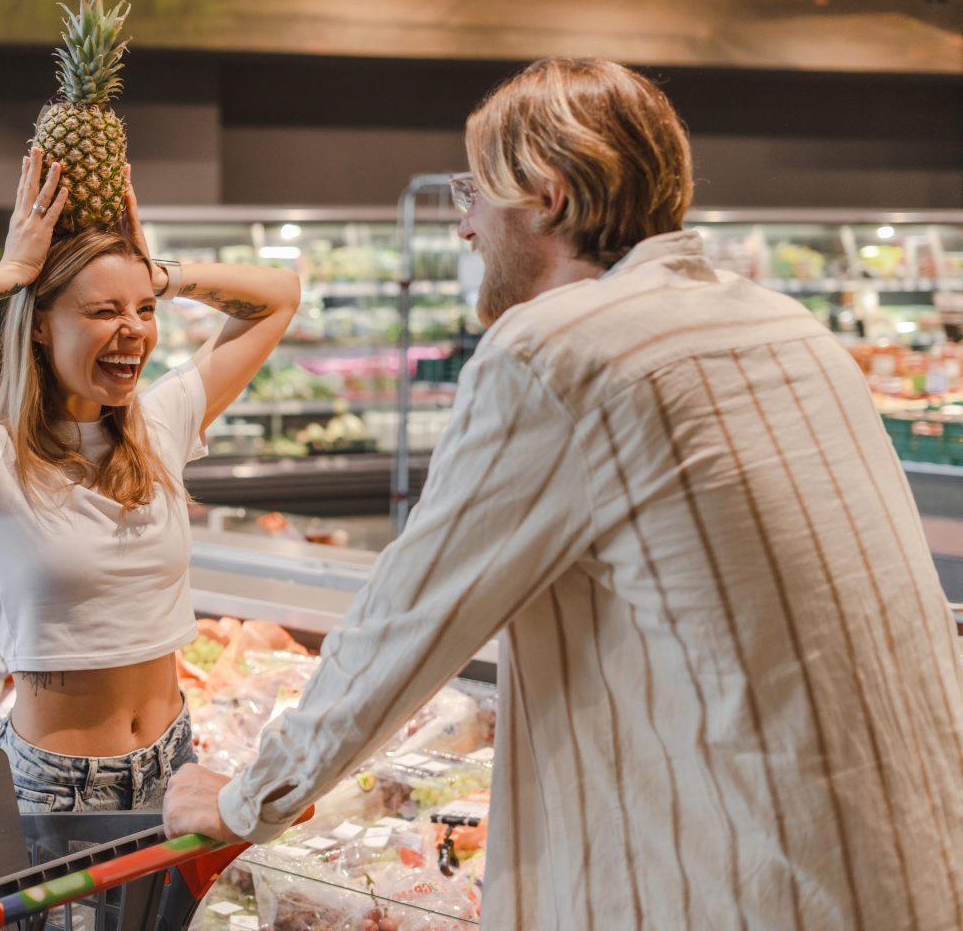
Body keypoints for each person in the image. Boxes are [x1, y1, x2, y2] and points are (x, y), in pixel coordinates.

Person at [164, 58, 963, 929]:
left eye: (473, 193)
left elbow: (407, 619)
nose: (464, 227)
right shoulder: (788, 326)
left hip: (748, 888)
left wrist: (245, 799)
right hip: (909, 865)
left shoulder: (554, 353)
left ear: (545, 194)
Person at [0, 149, 299, 810]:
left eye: (144, 311)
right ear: (39, 327)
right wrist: (13, 274)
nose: (133, 331)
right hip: (57, 785)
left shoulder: (160, 424)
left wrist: (158, 273)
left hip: (174, 759)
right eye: (102, 312)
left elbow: (280, 296)